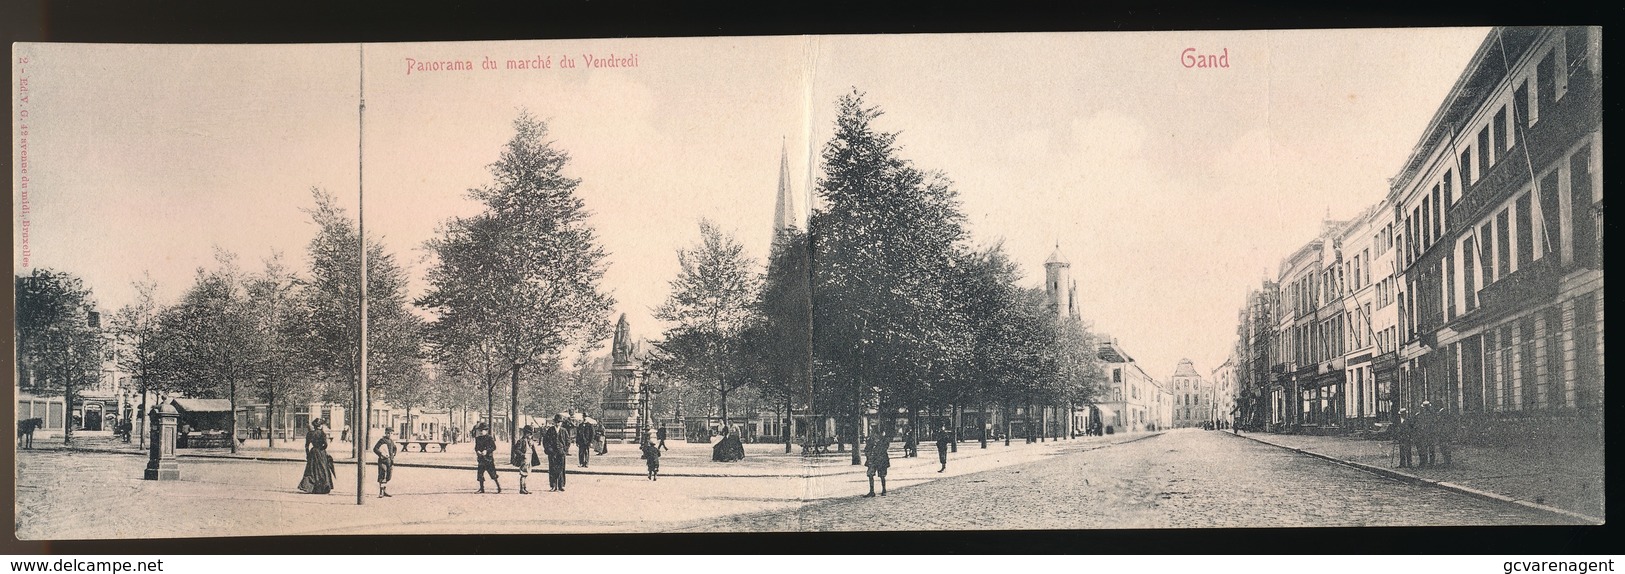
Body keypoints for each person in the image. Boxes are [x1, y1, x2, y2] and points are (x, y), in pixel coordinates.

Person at [297, 418, 336, 495]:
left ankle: (309, 487)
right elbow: (325, 444)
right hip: (320, 452)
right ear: (320, 426)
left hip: (313, 452)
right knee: (322, 469)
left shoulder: (309, 433)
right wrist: (322, 449)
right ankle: (322, 488)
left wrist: (308, 454)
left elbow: (306, 446)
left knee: (311, 470)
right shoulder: (322, 433)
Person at [542, 414, 570, 492]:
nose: (558, 423)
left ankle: (561, 485)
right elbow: (545, 441)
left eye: (559, 422)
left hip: (561, 452)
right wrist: (549, 449)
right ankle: (553, 486)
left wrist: (565, 450)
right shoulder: (550, 430)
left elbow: (568, 441)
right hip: (552, 453)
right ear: (554, 422)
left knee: (561, 469)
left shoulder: (564, 431)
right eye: (557, 422)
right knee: (552, 469)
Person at [473, 423, 502, 494]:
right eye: (479, 430)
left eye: (482, 430)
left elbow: (494, 447)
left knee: (493, 474)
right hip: (481, 459)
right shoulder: (478, 438)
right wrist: (478, 451)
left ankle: (499, 487)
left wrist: (487, 451)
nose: (480, 432)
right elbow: (476, 447)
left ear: (486, 431)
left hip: (488, 459)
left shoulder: (489, 438)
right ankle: (481, 489)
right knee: (480, 474)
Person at [511, 425, 539, 494]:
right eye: (529, 434)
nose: (531, 435)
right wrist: (522, 455)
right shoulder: (521, 441)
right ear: (526, 434)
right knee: (523, 474)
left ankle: (524, 488)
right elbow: (516, 450)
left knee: (526, 474)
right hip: (524, 459)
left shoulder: (530, 441)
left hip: (529, 459)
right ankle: (522, 488)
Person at [863, 430, 891, 497]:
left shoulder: (884, 441)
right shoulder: (870, 441)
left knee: (882, 476)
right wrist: (868, 455)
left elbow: (884, 449)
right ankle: (872, 491)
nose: (874, 436)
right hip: (872, 460)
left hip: (881, 460)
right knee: (870, 475)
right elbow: (866, 449)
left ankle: (884, 490)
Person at [373, 427, 398, 498]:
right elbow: (375, 449)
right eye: (388, 433)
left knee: (388, 476)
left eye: (391, 433)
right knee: (382, 474)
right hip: (383, 460)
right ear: (385, 433)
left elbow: (394, 448)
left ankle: (384, 490)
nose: (389, 434)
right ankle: (381, 492)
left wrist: (393, 454)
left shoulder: (391, 441)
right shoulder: (382, 440)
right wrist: (381, 454)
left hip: (390, 461)